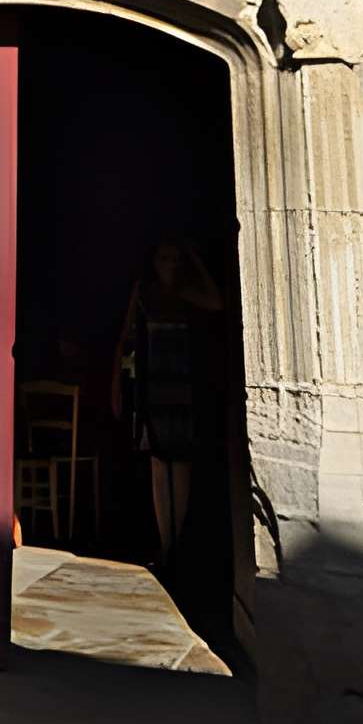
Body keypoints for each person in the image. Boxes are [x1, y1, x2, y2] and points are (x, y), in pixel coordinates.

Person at [112, 234, 223, 573]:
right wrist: (117, 385)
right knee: (159, 464)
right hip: (154, 383)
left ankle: (177, 544)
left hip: (183, 384)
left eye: (174, 260)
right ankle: (166, 545)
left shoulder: (185, 292)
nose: (168, 267)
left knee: (181, 463)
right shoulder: (145, 292)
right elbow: (126, 337)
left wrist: (197, 262)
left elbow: (217, 302)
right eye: (164, 259)